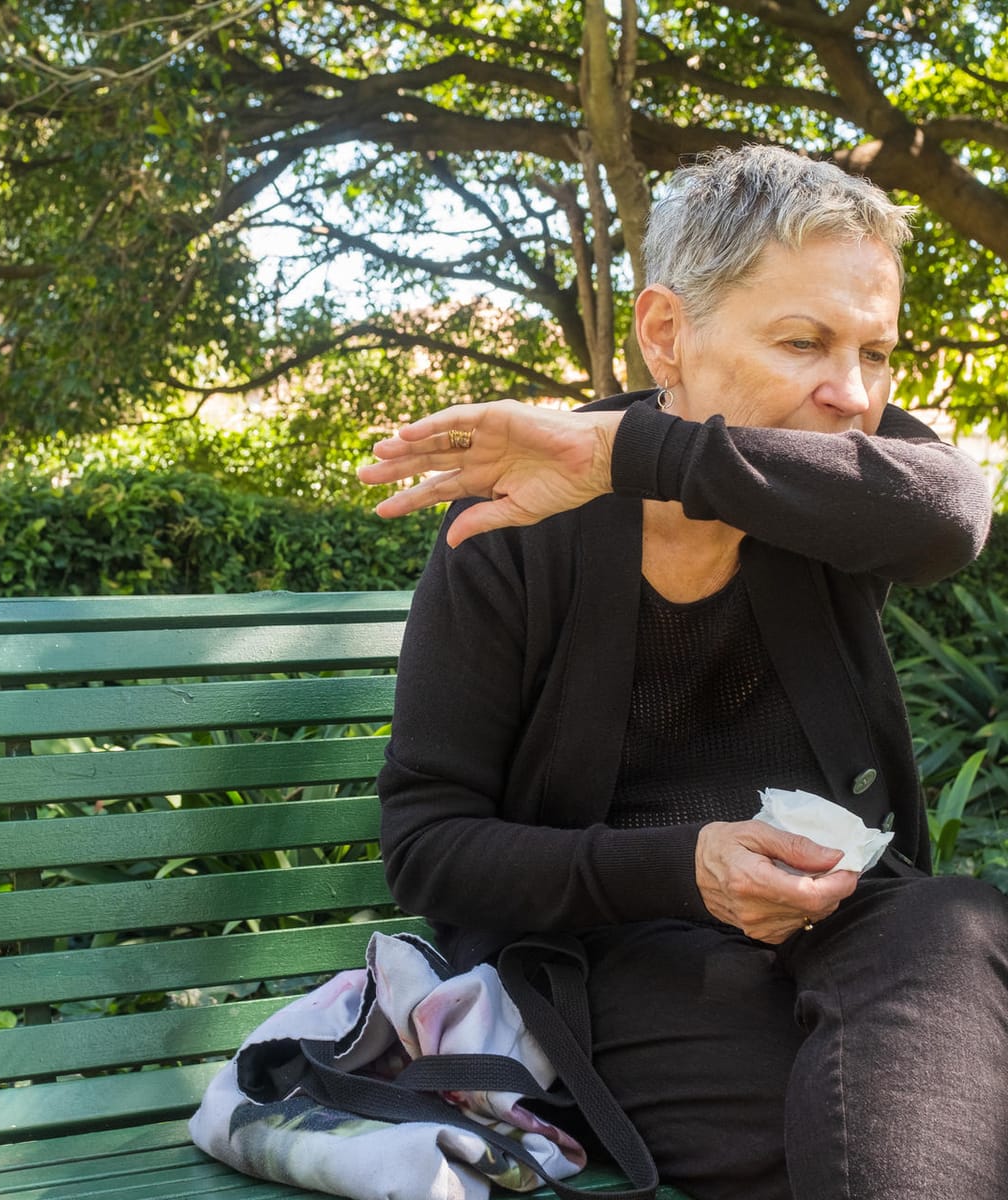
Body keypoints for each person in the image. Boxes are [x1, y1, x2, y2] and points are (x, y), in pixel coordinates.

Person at [356, 145, 1008, 1200]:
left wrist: (629, 452)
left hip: (860, 934)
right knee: (859, 1147)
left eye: (876, 352)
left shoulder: (829, 484)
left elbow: (951, 516)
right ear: (667, 333)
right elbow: (428, 845)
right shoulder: (512, 540)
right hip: (625, 953)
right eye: (804, 341)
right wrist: (684, 866)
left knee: (953, 919)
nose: (852, 394)